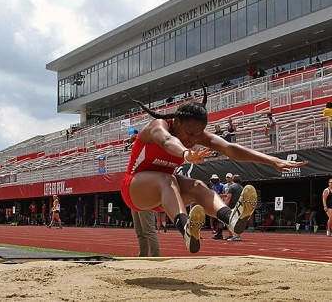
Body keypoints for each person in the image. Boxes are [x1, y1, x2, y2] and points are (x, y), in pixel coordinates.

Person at [120, 88, 307, 254]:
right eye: (189, 134)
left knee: (198, 186)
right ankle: (185, 227)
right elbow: (168, 142)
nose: (193, 140)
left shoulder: (194, 134)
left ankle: (230, 218)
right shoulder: (157, 127)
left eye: (198, 135)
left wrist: (271, 160)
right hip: (133, 188)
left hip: (163, 194)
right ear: (176, 121)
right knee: (167, 179)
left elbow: (229, 148)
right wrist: (186, 153)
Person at [225, 174, 244, 241]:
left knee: (230, 221)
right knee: (237, 221)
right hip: (239, 206)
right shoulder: (241, 187)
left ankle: (234, 235)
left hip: (232, 206)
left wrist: (225, 206)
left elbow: (229, 197)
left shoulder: (232, 186)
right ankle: (234, 235)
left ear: (233, 179)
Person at [209, 174, 225, 240]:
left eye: (215, 179)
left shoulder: (222, 185)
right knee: (216, 219)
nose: (214, 180)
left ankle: (220, 233)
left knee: (220, 219)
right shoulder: (212, 186)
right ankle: (218, 232)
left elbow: (225, 194)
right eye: (213, 179)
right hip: (214, 203)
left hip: (220, 203)